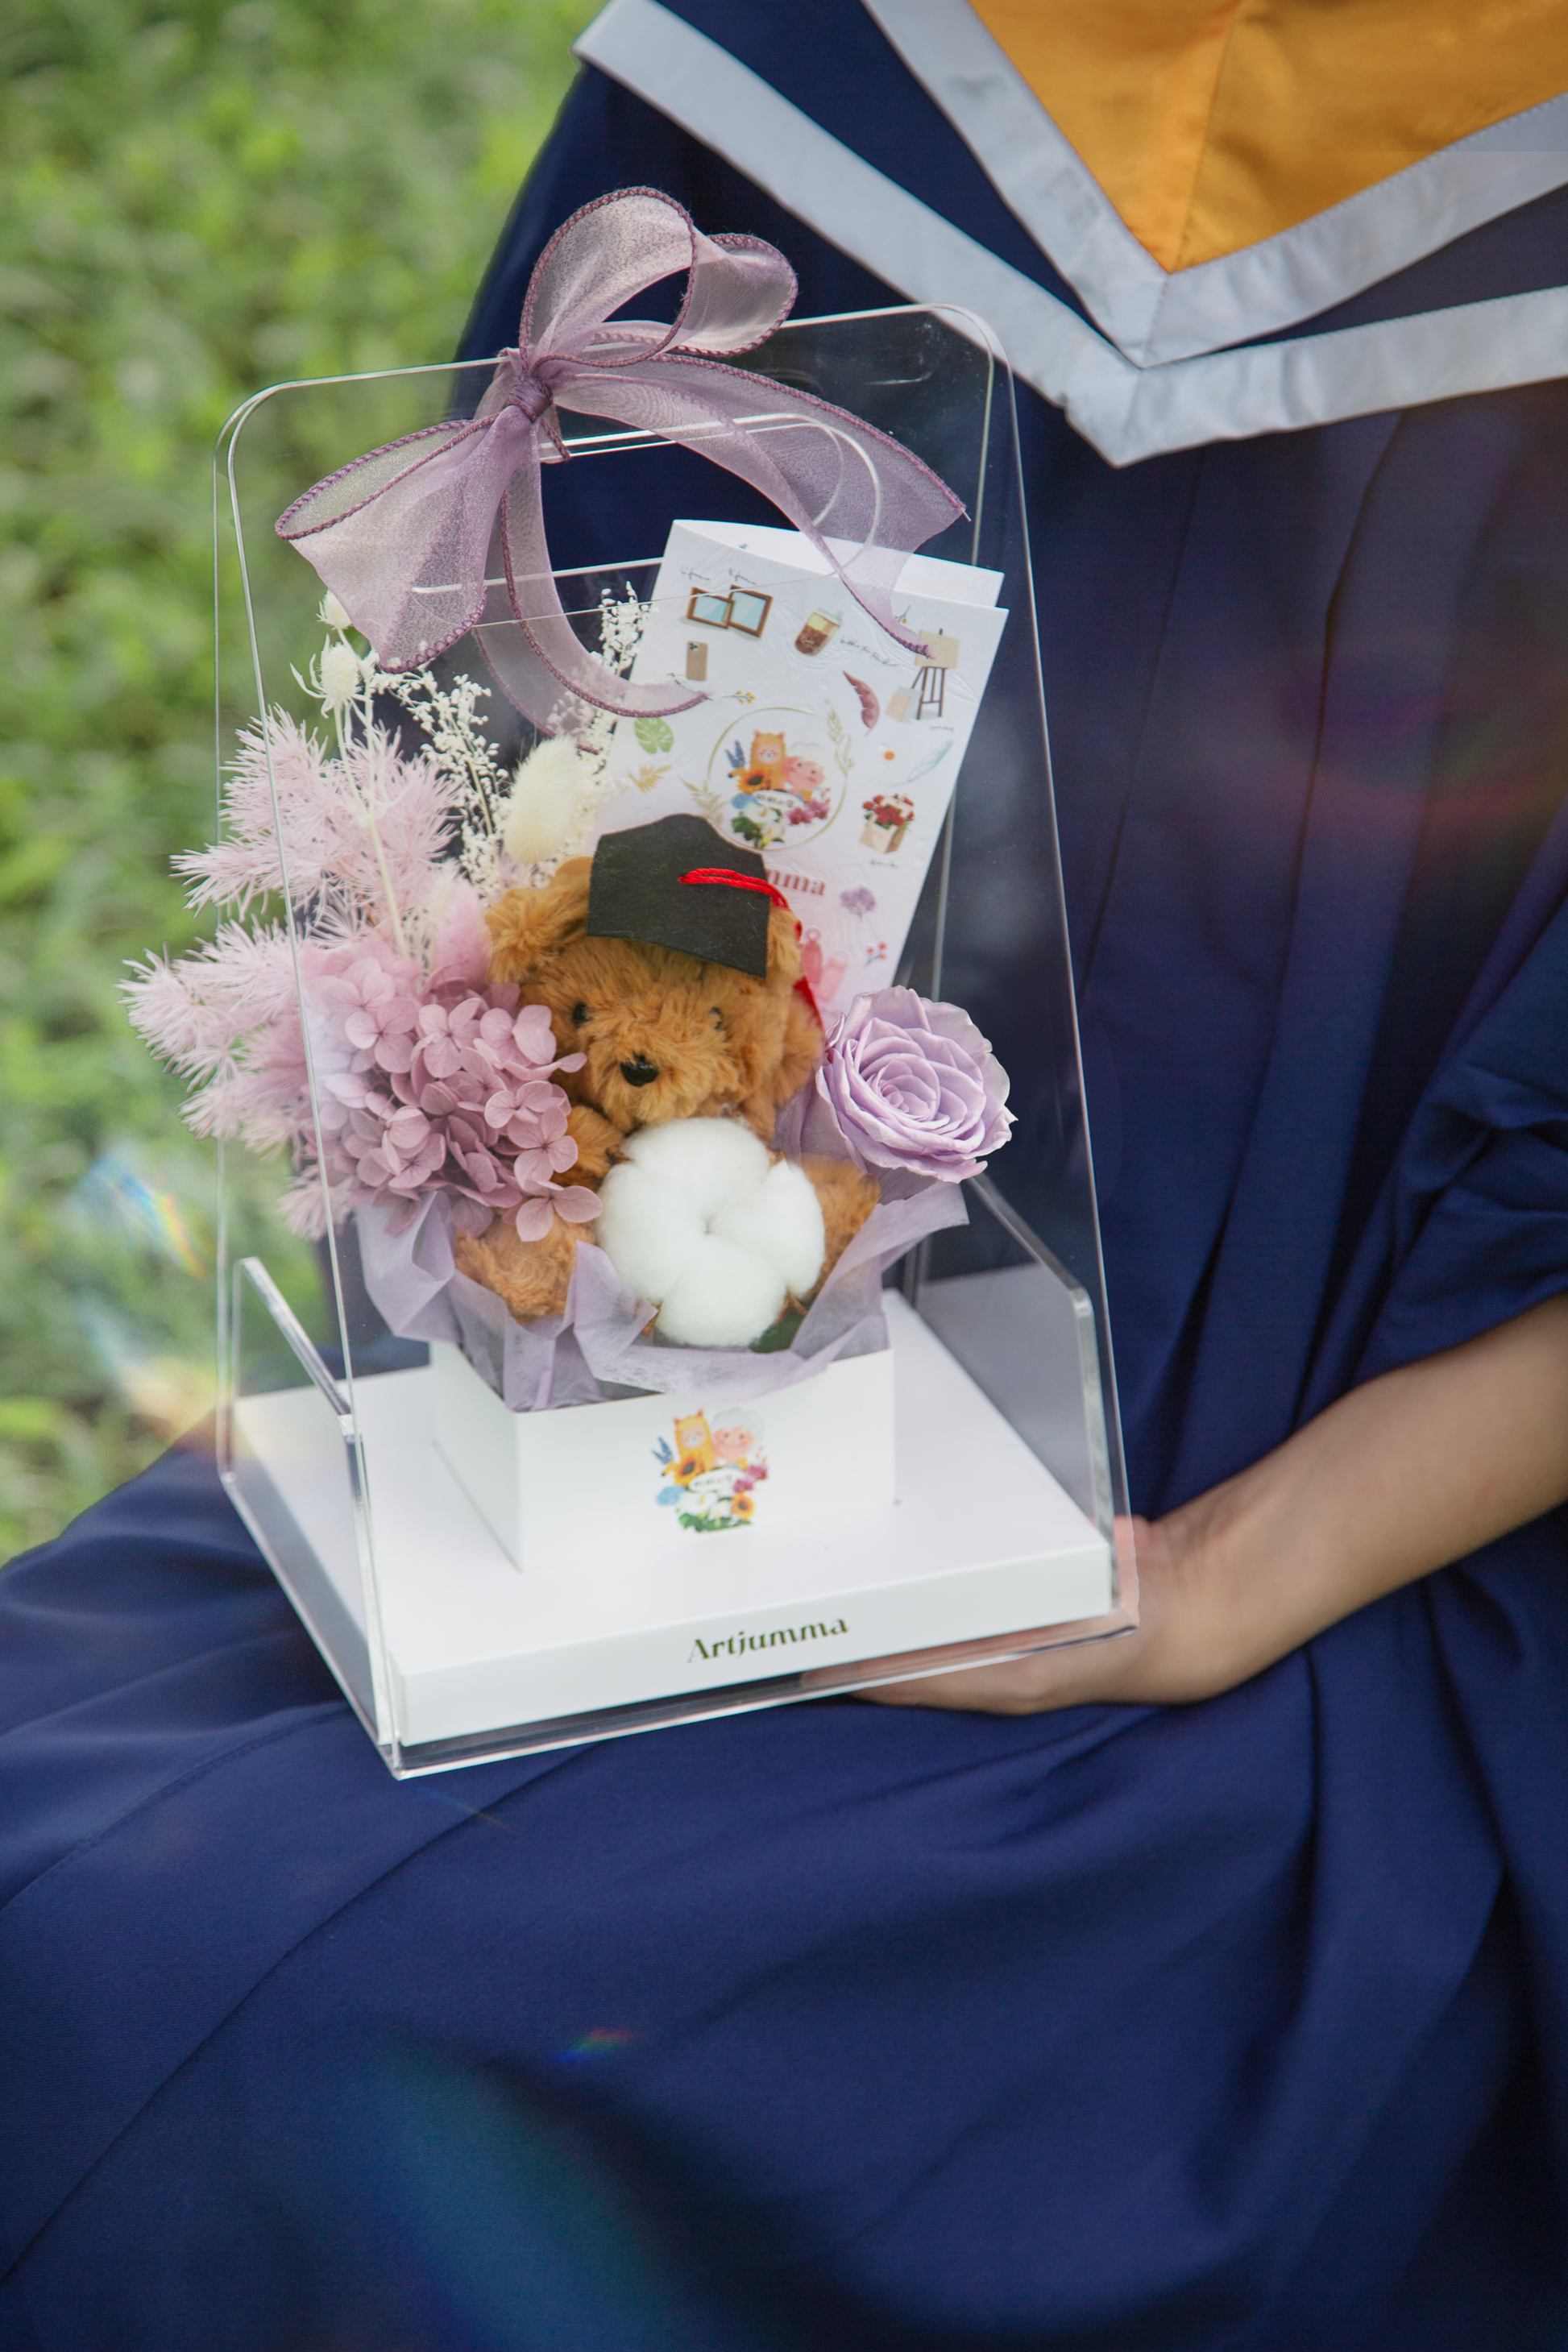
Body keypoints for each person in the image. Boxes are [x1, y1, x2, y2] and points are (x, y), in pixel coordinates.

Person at [5, 5, 1568, 2344]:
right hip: (663, 1391)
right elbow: (577, 793)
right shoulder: (836, 66)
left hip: (1338, 1571)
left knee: (268, 2028)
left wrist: (1224, 1573)